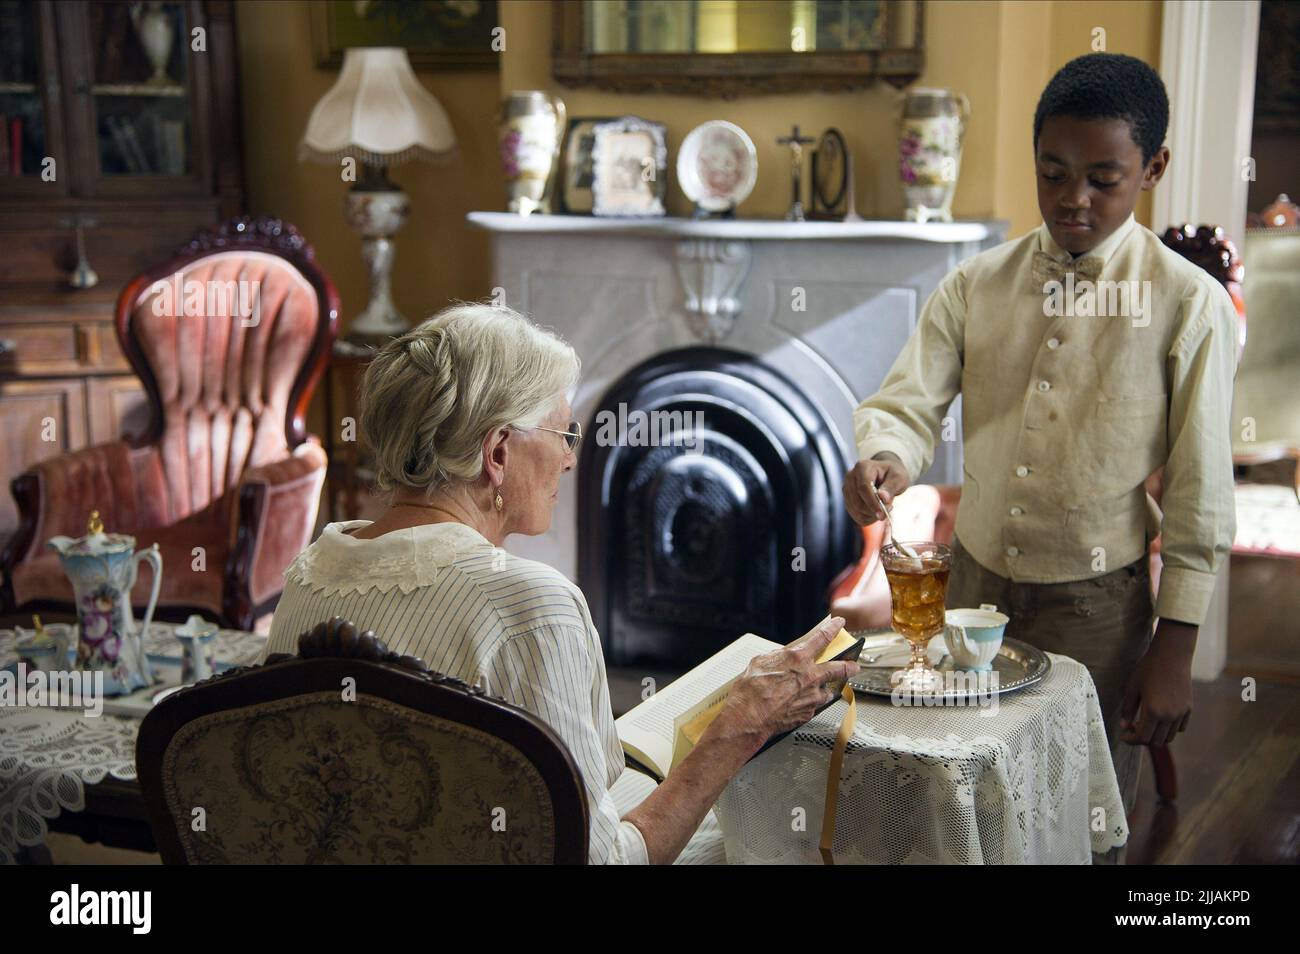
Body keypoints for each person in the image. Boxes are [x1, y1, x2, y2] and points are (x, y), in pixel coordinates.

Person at [261, 302, 858, 865]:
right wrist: (736, 729)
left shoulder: (311, 572)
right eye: (564, 436)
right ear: (498, 452)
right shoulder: (533, 606)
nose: (572, 460)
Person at [844, 53, 1237, 863]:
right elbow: (906, 403)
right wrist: (885, 455)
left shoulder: (1186, 302)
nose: (1073, 200)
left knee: (1078, 818)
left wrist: (1177, 643)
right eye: (1053, 174)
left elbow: (1201, 486)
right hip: (975, 590)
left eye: (1103, 179)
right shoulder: (976, 284)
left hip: (1099, 610)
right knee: (963, 796)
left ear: (1153, 168)